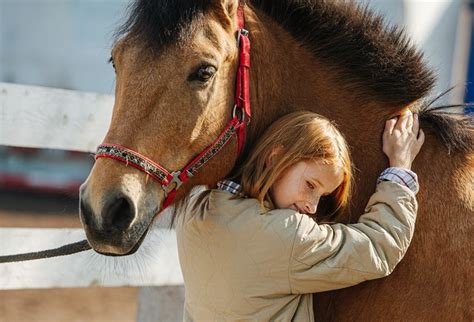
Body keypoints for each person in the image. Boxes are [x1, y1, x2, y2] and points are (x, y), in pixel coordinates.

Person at [175, 110, 424, 321]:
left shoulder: (195, 209)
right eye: (311, 185)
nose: (313, 207)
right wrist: (399, 168)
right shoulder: (286, 237)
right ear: (275, 158)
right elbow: (379, 247)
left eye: (322, 195)